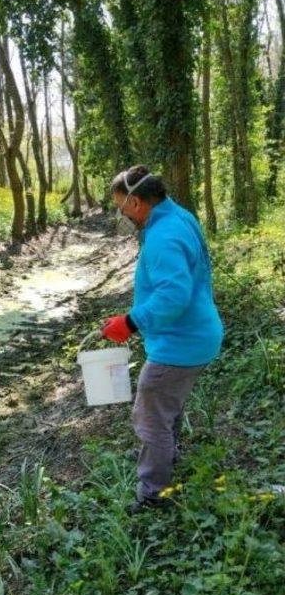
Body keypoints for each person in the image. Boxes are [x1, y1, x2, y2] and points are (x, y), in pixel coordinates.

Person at [101, 165, 224, 514]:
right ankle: (167, 456)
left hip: (180, 343)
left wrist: (130, 321)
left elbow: (173, 295)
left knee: (149, 416)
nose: (121, 215)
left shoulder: (163, 236)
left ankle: (154, 495)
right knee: (167, 408)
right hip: (195, 334)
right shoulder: (177, 216)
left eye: (121, 207)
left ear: (137, 203)